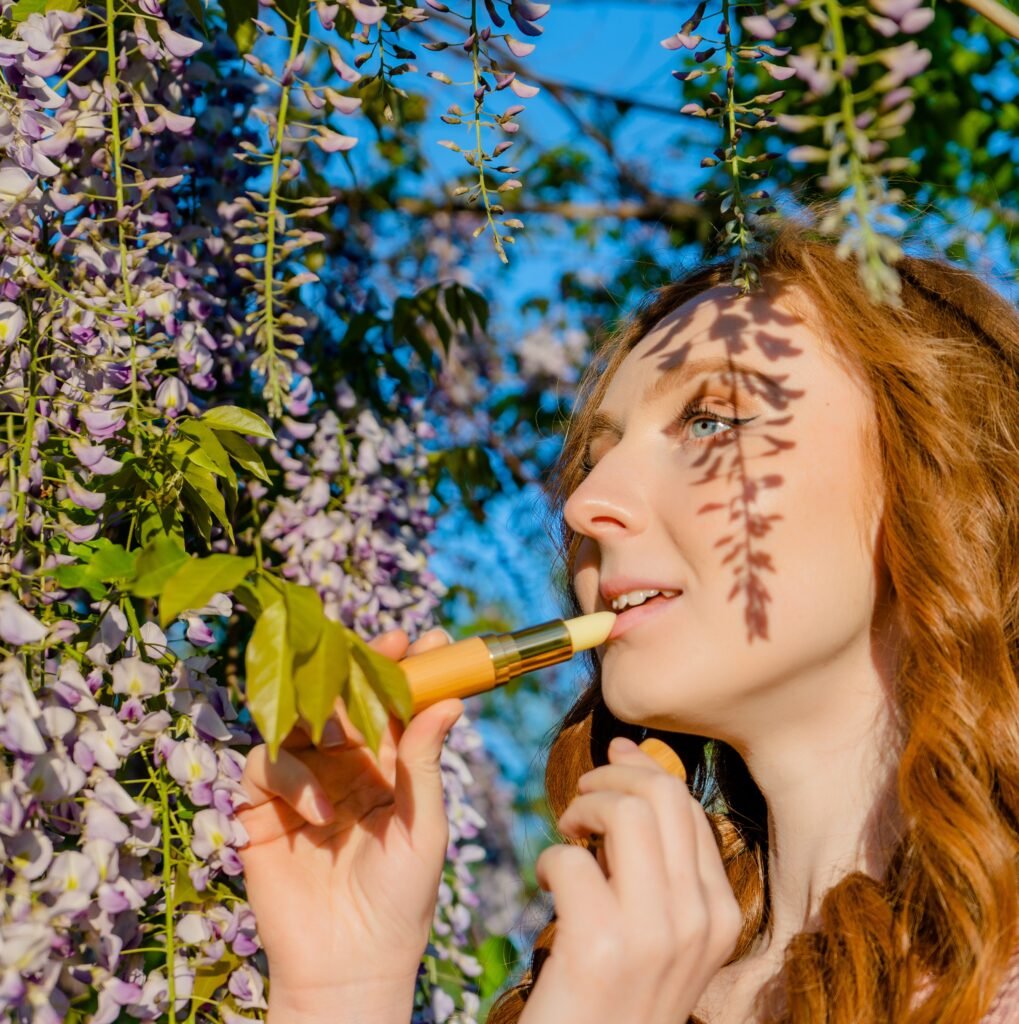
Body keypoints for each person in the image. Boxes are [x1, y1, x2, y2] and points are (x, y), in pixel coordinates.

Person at [237, 215, 1019, 1024]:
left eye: (710, 420)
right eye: (595, 455)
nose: (586, 502)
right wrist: (344, 989)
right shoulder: (610, 989)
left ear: (936, 477)